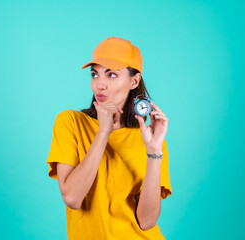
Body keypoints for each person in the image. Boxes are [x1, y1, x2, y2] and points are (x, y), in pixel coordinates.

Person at [46, 36, 172, 240]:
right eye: (95, 74)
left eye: (111, 75)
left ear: (134, 81)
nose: (99, 85)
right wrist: (103, 132)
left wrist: (154, 152)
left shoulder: (150, 138)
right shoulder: (70, 122)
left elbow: (147, 221)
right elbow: (72, 198)